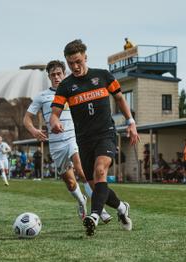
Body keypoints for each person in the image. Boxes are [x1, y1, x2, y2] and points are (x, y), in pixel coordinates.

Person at [50, 39, 140, 236]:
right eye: (70, 63)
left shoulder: (103, 76)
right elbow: (55, 112)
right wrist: (54, 121)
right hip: (83, 139)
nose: (75, 66)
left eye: (78, 61)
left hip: (105, 133)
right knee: (95, 185)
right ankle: (122, 208)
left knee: (101, 171)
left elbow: (119, 98)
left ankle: (94, 217)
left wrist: (131, 122)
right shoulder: (66, 86)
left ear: (85, 57)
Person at [24, 60, 112, 222]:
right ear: (49, 77)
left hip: (75, 139)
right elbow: (27, 118)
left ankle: (99, 210)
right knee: (71, 183)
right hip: (56, 144)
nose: (57, 77)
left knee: (83, 172)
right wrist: (34, 131)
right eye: (53, 75)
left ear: (64, 74)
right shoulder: (42, 97)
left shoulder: (74, 91)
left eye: (59, 74)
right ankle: (81, 201)